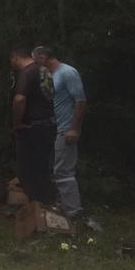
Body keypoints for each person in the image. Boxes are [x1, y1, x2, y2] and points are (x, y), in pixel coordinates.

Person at [34, 46, 88, 218]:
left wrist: (74, 129)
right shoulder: (51, 75)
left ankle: (73, 211)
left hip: (66, 129)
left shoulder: (68, 72)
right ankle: (62, 205)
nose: (36, 66)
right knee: (55, 169)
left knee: (64, 171)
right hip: (54, 129)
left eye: (36, 62)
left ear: (43, 57)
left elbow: (80, 102)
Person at [9, 44, 58, 207]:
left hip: (32, 128)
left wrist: (17, 122)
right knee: (43, 170)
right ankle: (46, 206)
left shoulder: (27, 72)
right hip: (48, 125)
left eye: (12, 60)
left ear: (15, 57)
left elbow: (20, 99)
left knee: (28, 171)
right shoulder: (43, 70)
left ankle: (34, 209)